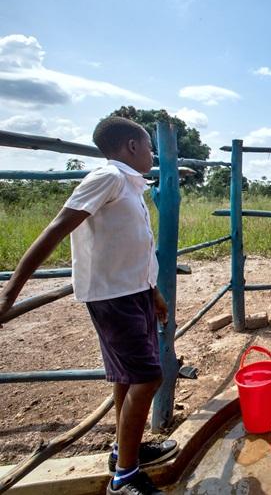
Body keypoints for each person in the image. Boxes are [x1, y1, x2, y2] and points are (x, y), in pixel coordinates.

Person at [0, 117, 178, 494]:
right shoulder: (108, 178)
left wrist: (153, 292)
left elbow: (136, 248)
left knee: (128, 377)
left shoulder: (130, 185)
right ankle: (125, 478)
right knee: (148, 377)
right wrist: (9, 293)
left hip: (133, 292)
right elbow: (56, 229)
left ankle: (123, 452)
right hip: (112, 297)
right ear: (132, 146)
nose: (152, 154)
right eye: (149, 147)